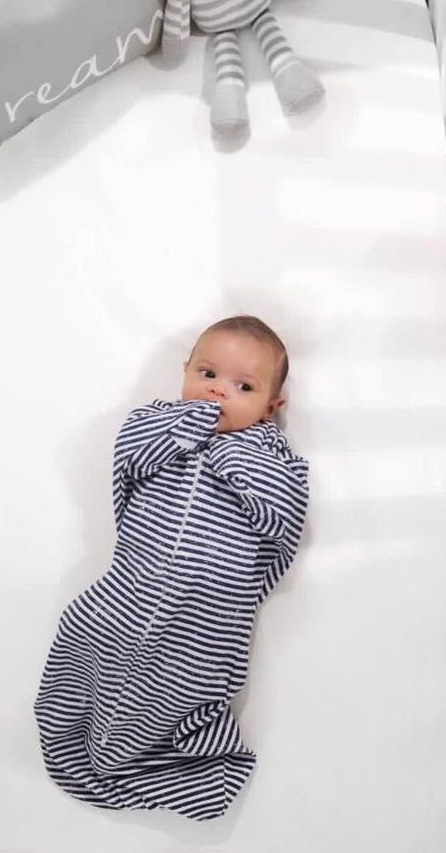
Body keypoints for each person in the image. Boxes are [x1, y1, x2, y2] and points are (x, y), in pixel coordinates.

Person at [33, 315, 309, 821]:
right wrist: (187, 425)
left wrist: (234, 459)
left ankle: (151, 761)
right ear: (185, 370)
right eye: (208, 374)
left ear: (271, 408)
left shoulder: (274, 457)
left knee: (184, 690)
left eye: (243, 387)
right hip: (126, 593)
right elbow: (130, 456)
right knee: (85, 635)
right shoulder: (157, 422)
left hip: (205, 622)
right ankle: (83, 740)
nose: (218, 392)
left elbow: (282, 516)